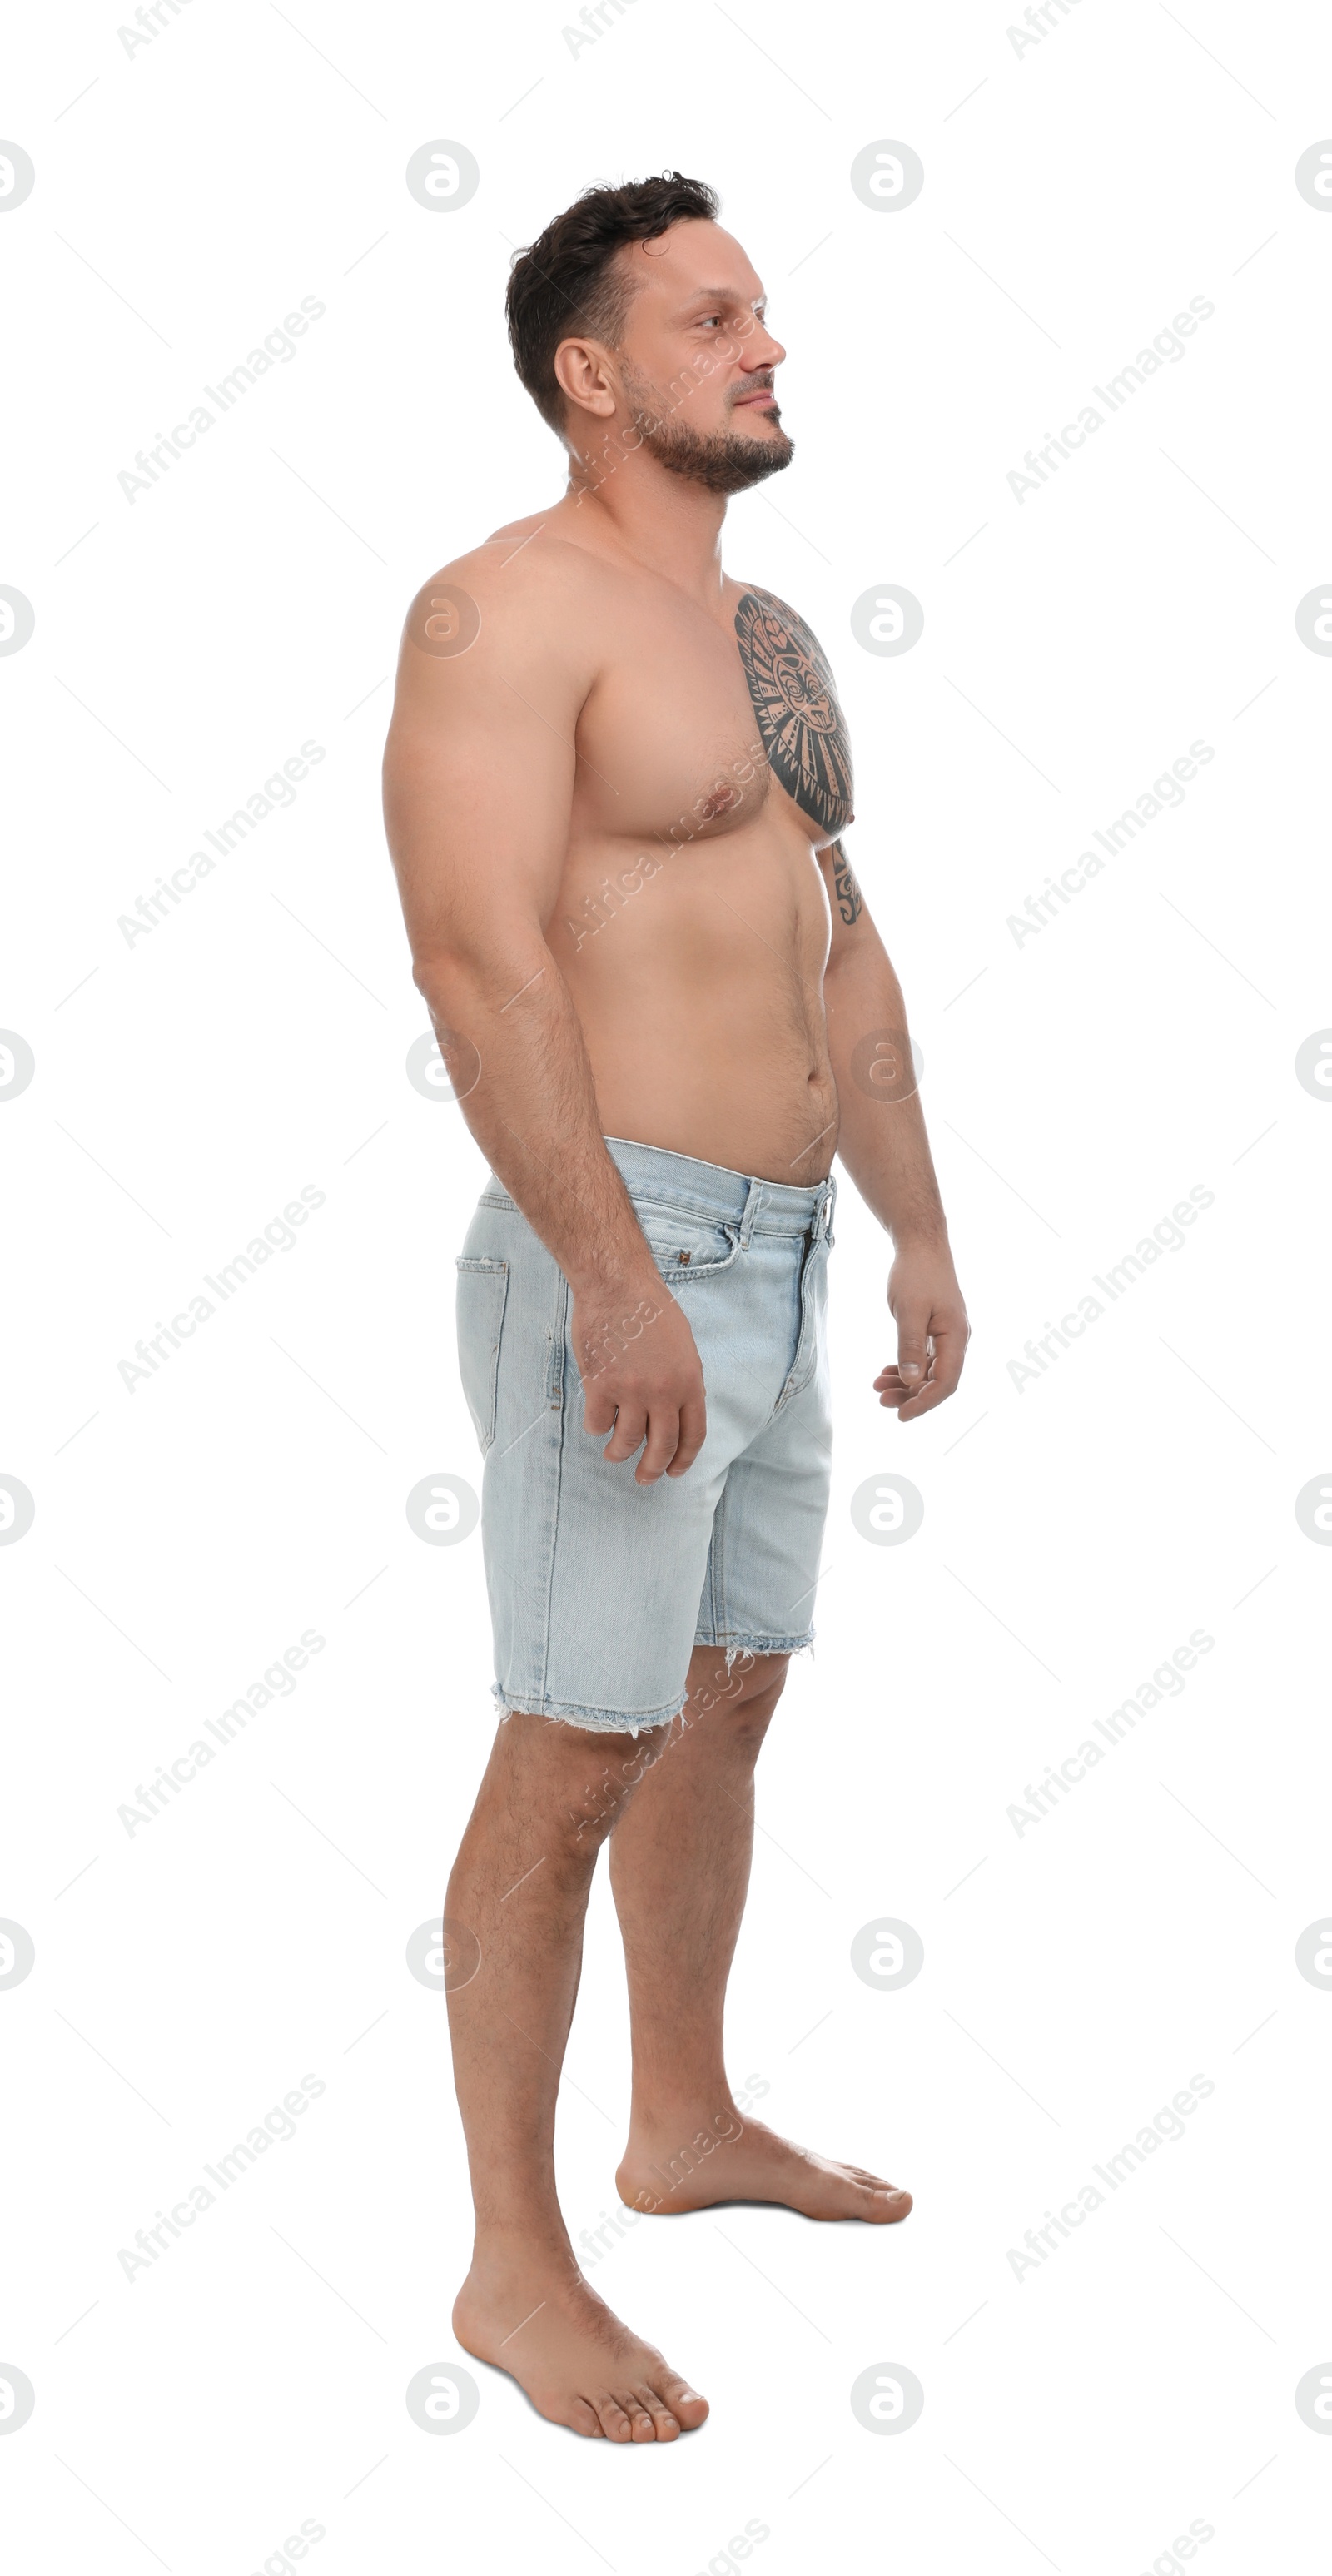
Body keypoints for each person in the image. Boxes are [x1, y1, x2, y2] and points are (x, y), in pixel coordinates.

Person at [382, 172, 969, 2444]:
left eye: (770, 316)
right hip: (617, 1248)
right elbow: (478, 958)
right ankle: (513, 2269)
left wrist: (913, 1228)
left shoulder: (767, 638)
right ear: (590, 371)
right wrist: (607, 1279)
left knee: (728, 1698)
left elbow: (841, 933)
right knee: (578, 1735)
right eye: (718, 317)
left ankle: (685, 2119)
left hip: (787, 1246)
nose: (769, 347)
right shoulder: (498, 616)